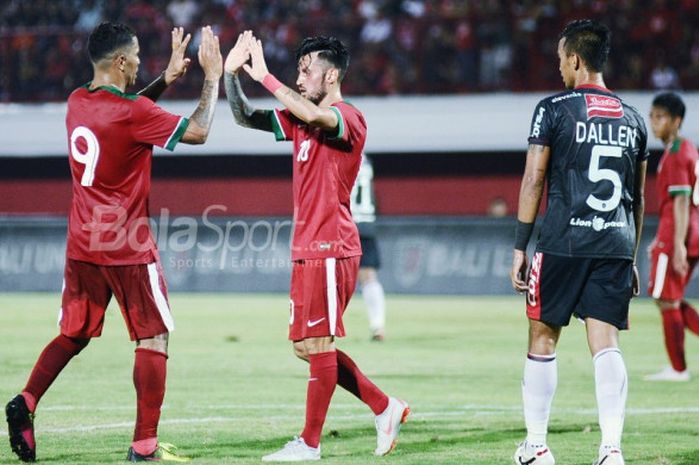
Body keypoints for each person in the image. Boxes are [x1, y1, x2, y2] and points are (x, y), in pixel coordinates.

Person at [5, 22, 222, 463]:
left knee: (74, 333)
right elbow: (198, 131)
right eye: (138, 56)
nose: (142, 63)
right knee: (154, 338)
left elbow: (127, 114)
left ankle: (26, 400)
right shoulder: (132, 113)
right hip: (126, 243)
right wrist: (212, 76)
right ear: (121, 61)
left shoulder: (77, 102)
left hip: (83, 242)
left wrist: (166, 78)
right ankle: (144, 445)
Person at [224, 31, 410, 461]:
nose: (301, 77)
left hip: (332, 244)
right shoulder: (300, 119)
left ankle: (309, 444)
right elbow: (245, 117)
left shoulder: (348, 116)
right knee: (305, 347)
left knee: (320, 344)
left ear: (333, 74)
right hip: (307, 247)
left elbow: (315, 112)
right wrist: (233, 75)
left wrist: (266, 76)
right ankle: (385, 407)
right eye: (298, 70)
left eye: (307, 70)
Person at [510, 20, 648, 465]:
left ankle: (537, 446)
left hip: (563, 241)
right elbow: (638, 197)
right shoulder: (634, 118)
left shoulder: (554, 108)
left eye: (559, 60)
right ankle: (611, 450)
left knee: (542, 337)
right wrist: (630, 255)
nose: (558, 68)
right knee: (606, 342)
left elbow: (534, 179)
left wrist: (519, 245)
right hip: (615, 243)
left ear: (574, 59)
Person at [645, 92, 699, 382]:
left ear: (676, 121)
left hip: (681, 233)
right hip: (685, 231)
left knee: (666, 298)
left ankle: (678, 369)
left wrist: (676, 242)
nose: (654, 123)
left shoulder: (678, 152)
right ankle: (677, 367)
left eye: (661, 117)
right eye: (652, 116)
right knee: (669, 298)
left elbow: (681, 201)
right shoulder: (685, 149)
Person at [350, 154, 387, 341]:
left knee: (331, 274)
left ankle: (321, 325)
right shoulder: (366, 161)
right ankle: (377, 325)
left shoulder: (338, 152)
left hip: (344, 222)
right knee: (369, 276)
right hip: (366, 223)